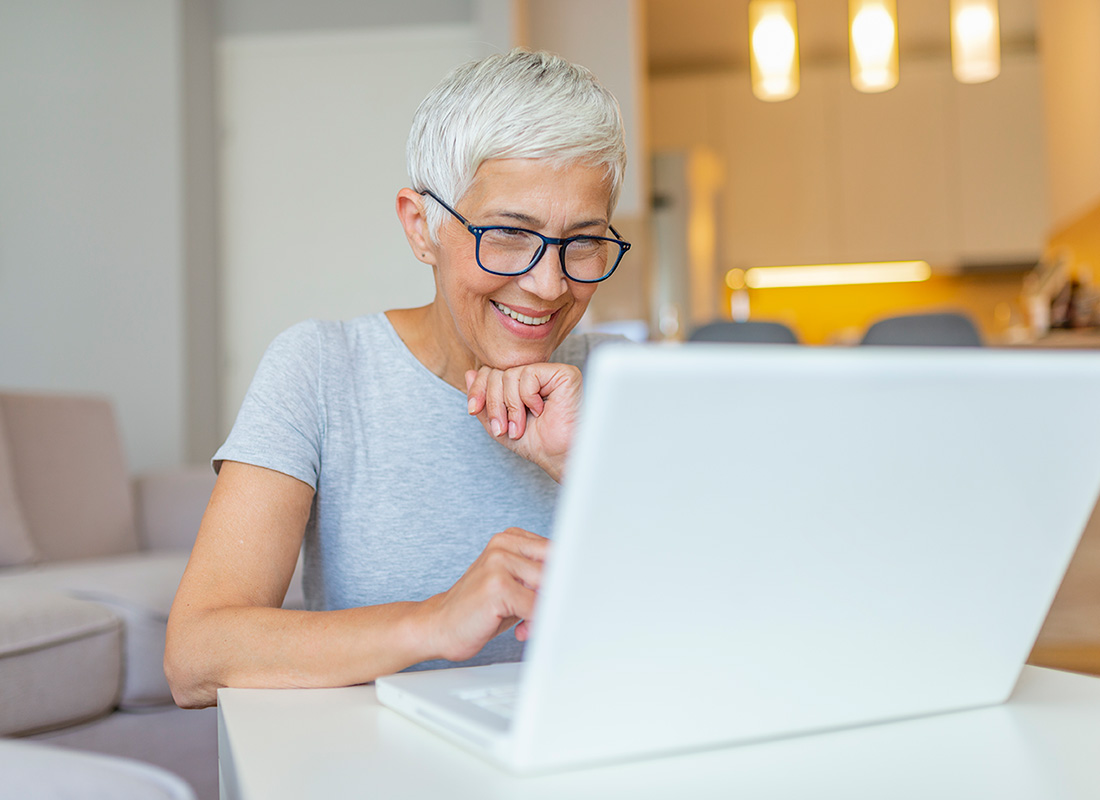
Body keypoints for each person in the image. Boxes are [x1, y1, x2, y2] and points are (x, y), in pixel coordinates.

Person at [164, 49, 631, 708]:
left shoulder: (628, 382)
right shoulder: (322, 370)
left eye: (582, 241)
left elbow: (747, 610)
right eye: (506, 234)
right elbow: (196, 657)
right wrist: (435, 621)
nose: (549, 284)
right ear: (422, 227)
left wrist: (590, 464)